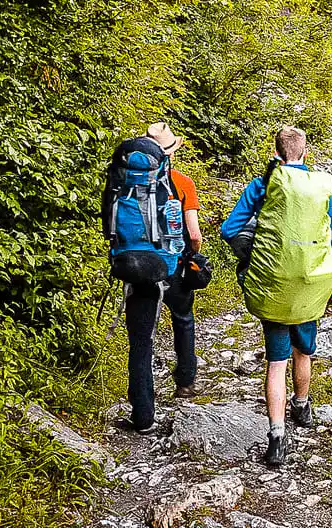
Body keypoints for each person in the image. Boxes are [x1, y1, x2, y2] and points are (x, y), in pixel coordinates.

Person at [220, 126, 332, 466]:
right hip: (310, 283)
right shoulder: (321, 188)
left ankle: (276, 438)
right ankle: (302, 406)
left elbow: (229, 230)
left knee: (276, 362)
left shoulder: (262, 185)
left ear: (277, 152)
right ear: (305, 153)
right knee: (304, 350)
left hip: (273, 284)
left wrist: (255, 253)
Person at [124, 122, 203, 433]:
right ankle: (185, 382)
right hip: (174, 267)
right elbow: (194, 234)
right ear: (172, 151)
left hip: (140, 269)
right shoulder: (182, 183)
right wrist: (191, 255)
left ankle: (143, 416)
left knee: (141, 342)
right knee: (183, 318)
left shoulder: (128, 185)